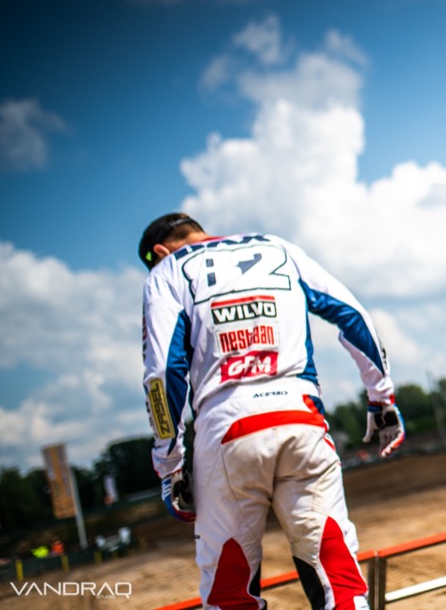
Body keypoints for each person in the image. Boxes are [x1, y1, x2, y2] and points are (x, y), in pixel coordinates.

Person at [139, 213, 405, 610]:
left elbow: (162, 373)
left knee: (230, 590)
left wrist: (170, 465)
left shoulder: (166, 272)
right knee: (337, 575)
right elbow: (353, 315)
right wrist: (382, 399)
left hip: (226, 430)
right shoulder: (278, 246)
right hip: (302, 419)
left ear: (159, 251)